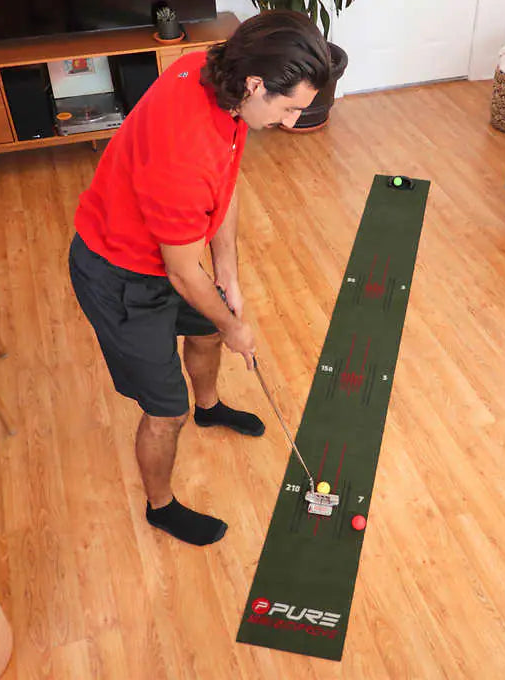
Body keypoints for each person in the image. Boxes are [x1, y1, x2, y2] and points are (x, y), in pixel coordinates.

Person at [68, 11, 331, 546]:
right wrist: (237, 327)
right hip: (120, 275)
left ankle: (210, 409)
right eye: (288, 108)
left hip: (170, 254)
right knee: (166, 412)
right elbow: (183, 273)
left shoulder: (215, 76)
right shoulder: (183, 154)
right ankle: (160, 507)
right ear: (256, 85)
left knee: (207, 328)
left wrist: (227, 273)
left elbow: (224, 180)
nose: (290, 123)